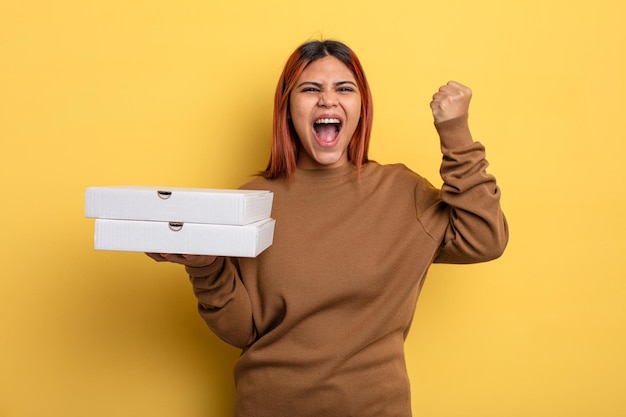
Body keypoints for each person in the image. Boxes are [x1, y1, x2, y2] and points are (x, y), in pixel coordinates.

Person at [147, 39, 508, 417]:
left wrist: (456, 134)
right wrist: (204, 266)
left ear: (361, 107)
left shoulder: (402, 194)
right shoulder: (252, 200)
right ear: (287, 108)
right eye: (310, 89)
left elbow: (485, 239)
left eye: (344, 88)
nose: (327, 100)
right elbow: (243, 331)